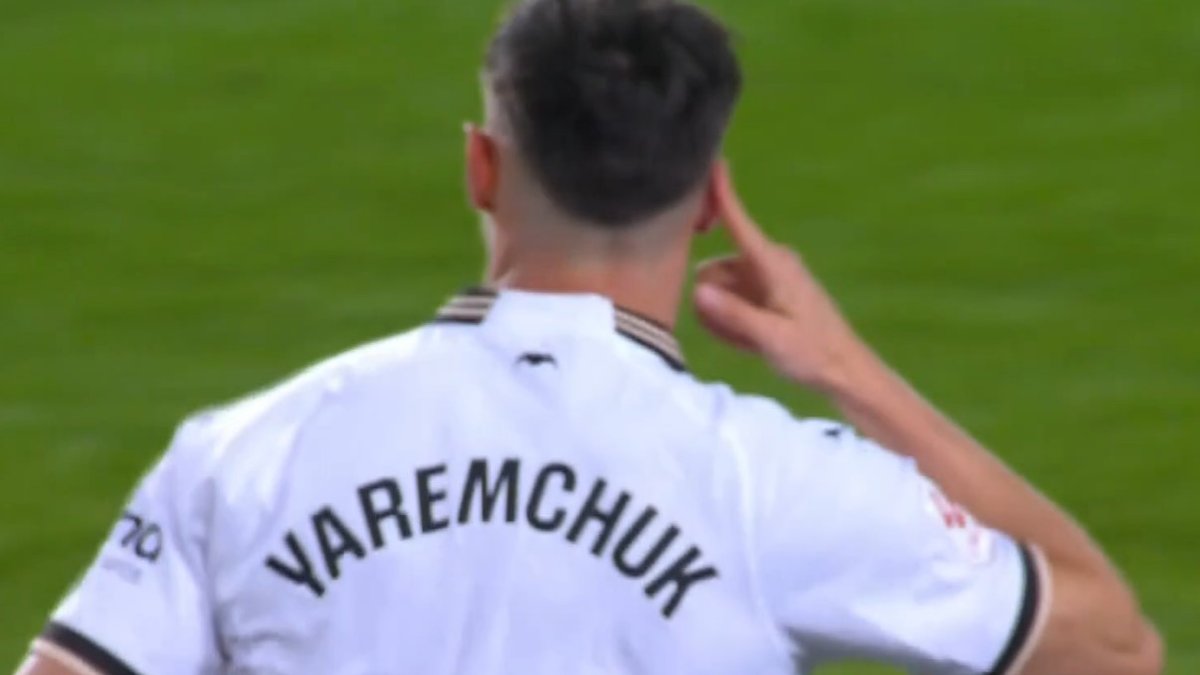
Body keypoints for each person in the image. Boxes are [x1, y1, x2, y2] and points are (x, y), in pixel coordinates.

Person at [19, 0, 1161, 673]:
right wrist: (847, 369)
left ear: (481, 167)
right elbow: (1112, 648)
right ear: (708, 201)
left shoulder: (244, 453)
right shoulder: (774, 485)